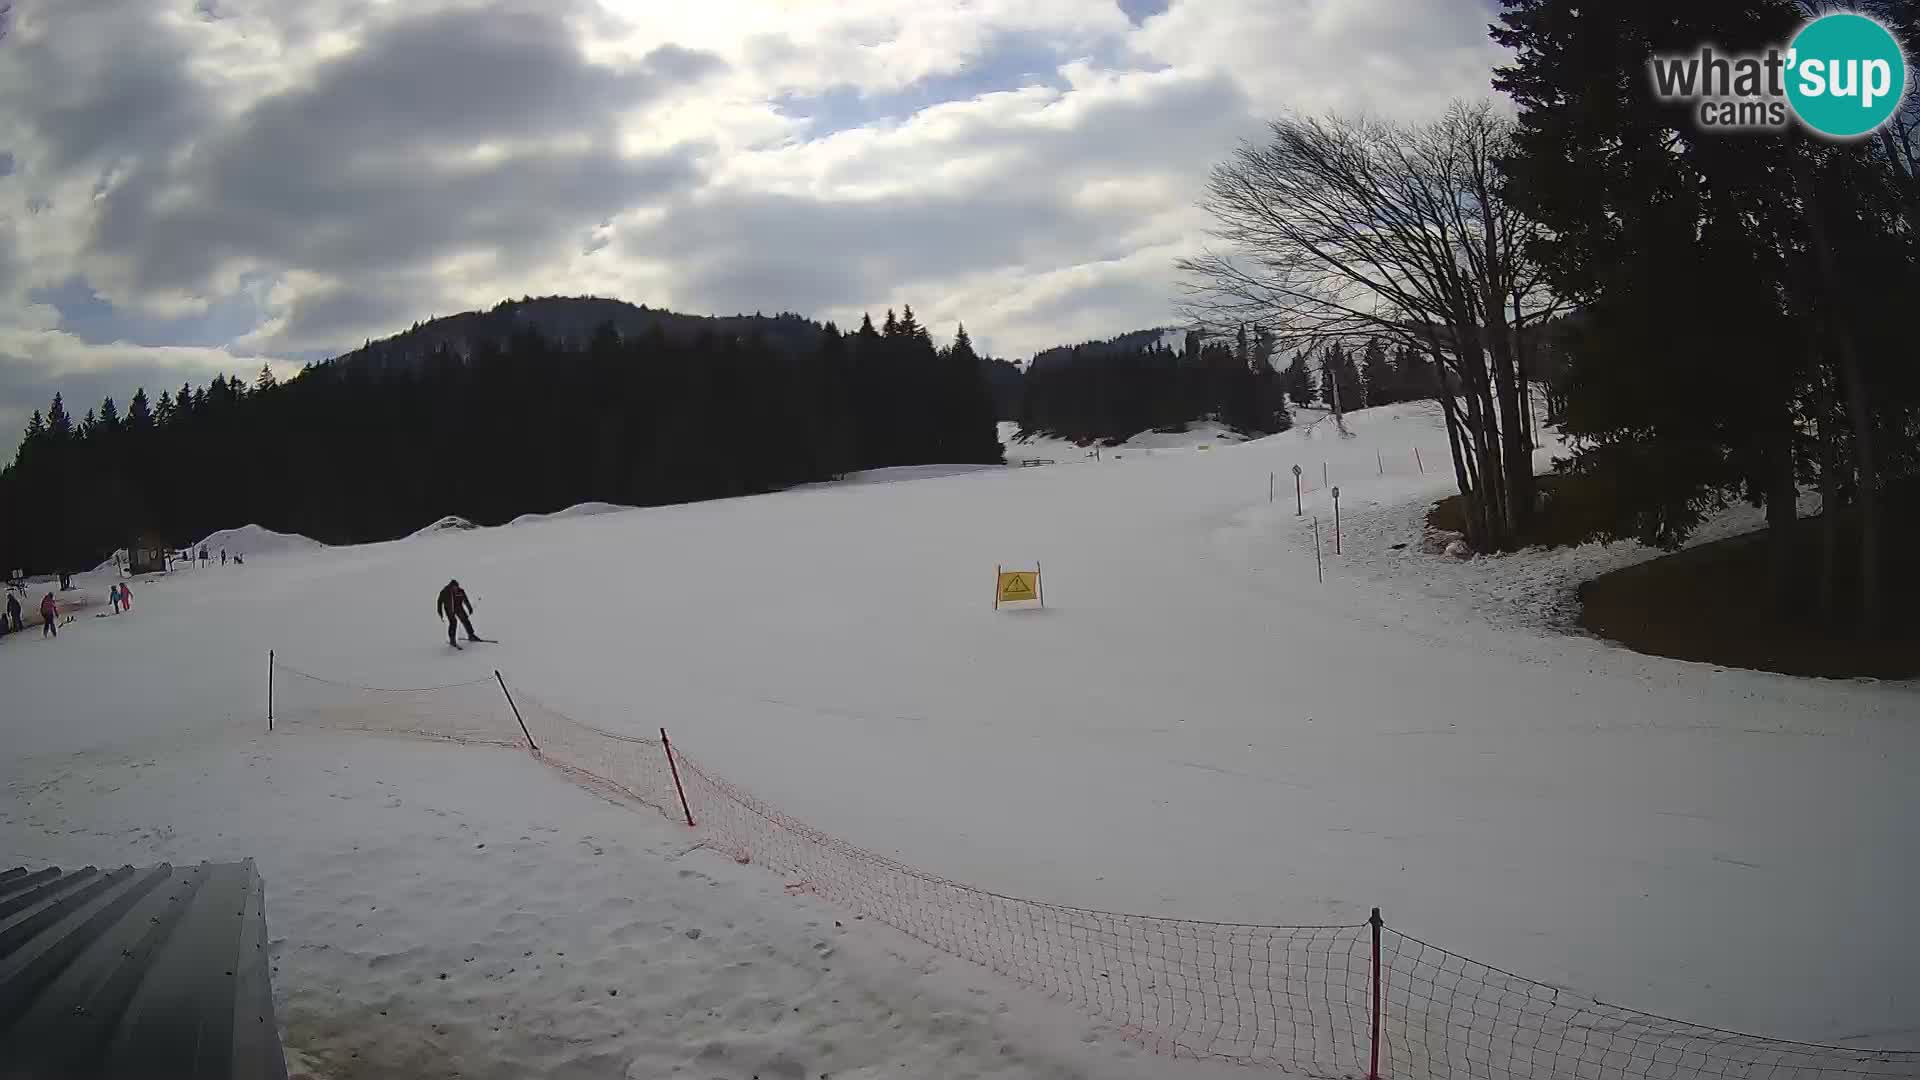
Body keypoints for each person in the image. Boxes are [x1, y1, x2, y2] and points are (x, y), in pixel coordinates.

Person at [435, 579, 480, 647]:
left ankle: (471, 635)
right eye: (453, 587)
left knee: (465, 619)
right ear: (451, 586)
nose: (455, 589)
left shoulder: (460, 591)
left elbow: (465, 600)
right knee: (453, 622)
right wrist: (440, 613)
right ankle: (452, 640)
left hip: (458, 607)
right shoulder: (445, 591)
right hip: (449, 609)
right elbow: (439, 602)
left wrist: (469, 608)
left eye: (456, 587)